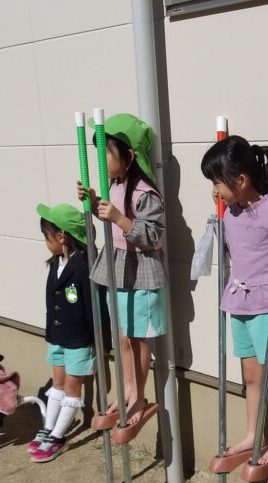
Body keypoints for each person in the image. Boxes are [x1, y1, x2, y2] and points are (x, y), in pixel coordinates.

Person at [201, 135, 268, 465]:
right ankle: (253, 434)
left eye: (217, 182)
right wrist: (217, 213)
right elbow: (230, 249)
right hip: (240, 301)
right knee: (251, 375)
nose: (215, 190)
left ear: (241, 180)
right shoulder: (229, 213)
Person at [78, 113, 166, 426]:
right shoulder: (113, 186)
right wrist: (93, 202)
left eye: (107, 152)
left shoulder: (144, 192)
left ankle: (139, 396)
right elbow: (110, 220)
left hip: (140, 271)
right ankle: (128, 390)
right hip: (117, 266)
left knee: (138, 338)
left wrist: (118, 217)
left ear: (129, 156)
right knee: (123, 336)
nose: (101, 160)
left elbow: (153, 236)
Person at [30, 203, 109, 463]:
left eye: (47, 237)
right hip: (58, 336)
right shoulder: (56, 263)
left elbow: (96, 307)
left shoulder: (84, 267)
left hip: (79, 340)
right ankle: (48, 429)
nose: (46, 242)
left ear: (62, 236)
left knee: (72, 389)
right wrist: (51, 332)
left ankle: (58, 437)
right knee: (57, 384)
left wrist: (102, 341)